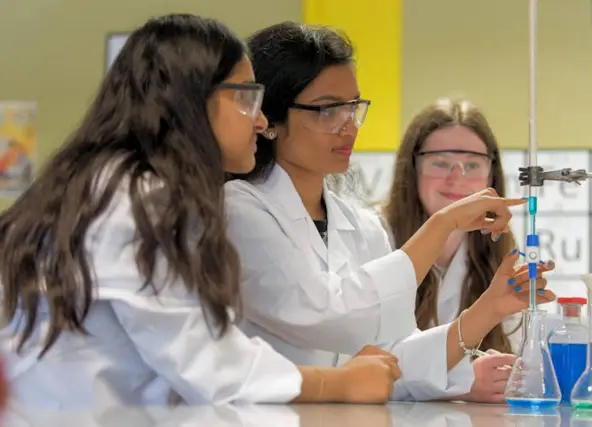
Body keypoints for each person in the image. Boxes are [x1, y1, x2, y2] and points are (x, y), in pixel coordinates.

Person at [0, 14, 403, 410]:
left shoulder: (114, 184)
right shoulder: (141, 199)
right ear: (191, 101)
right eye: (246, 98)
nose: (261, 120)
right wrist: (335, 383)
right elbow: (201, 359)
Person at [224, 21, 556, 402]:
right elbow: (327, 316)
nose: (349, 126)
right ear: (271, 119)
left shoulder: (361, 227)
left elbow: (395, 358)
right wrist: (443, 225)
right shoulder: (240, 209)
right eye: (328, 110)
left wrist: (489, 307)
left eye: (353, 108)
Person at [382, 97, 592, 402]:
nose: (457, 177)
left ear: (491, 174)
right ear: (411, 167)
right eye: (440, 162)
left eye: (472, 164)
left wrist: (569, 370)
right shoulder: (375, 239)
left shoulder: (497, 250)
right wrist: (460, 382)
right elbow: (358, 363)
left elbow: (516, 350)